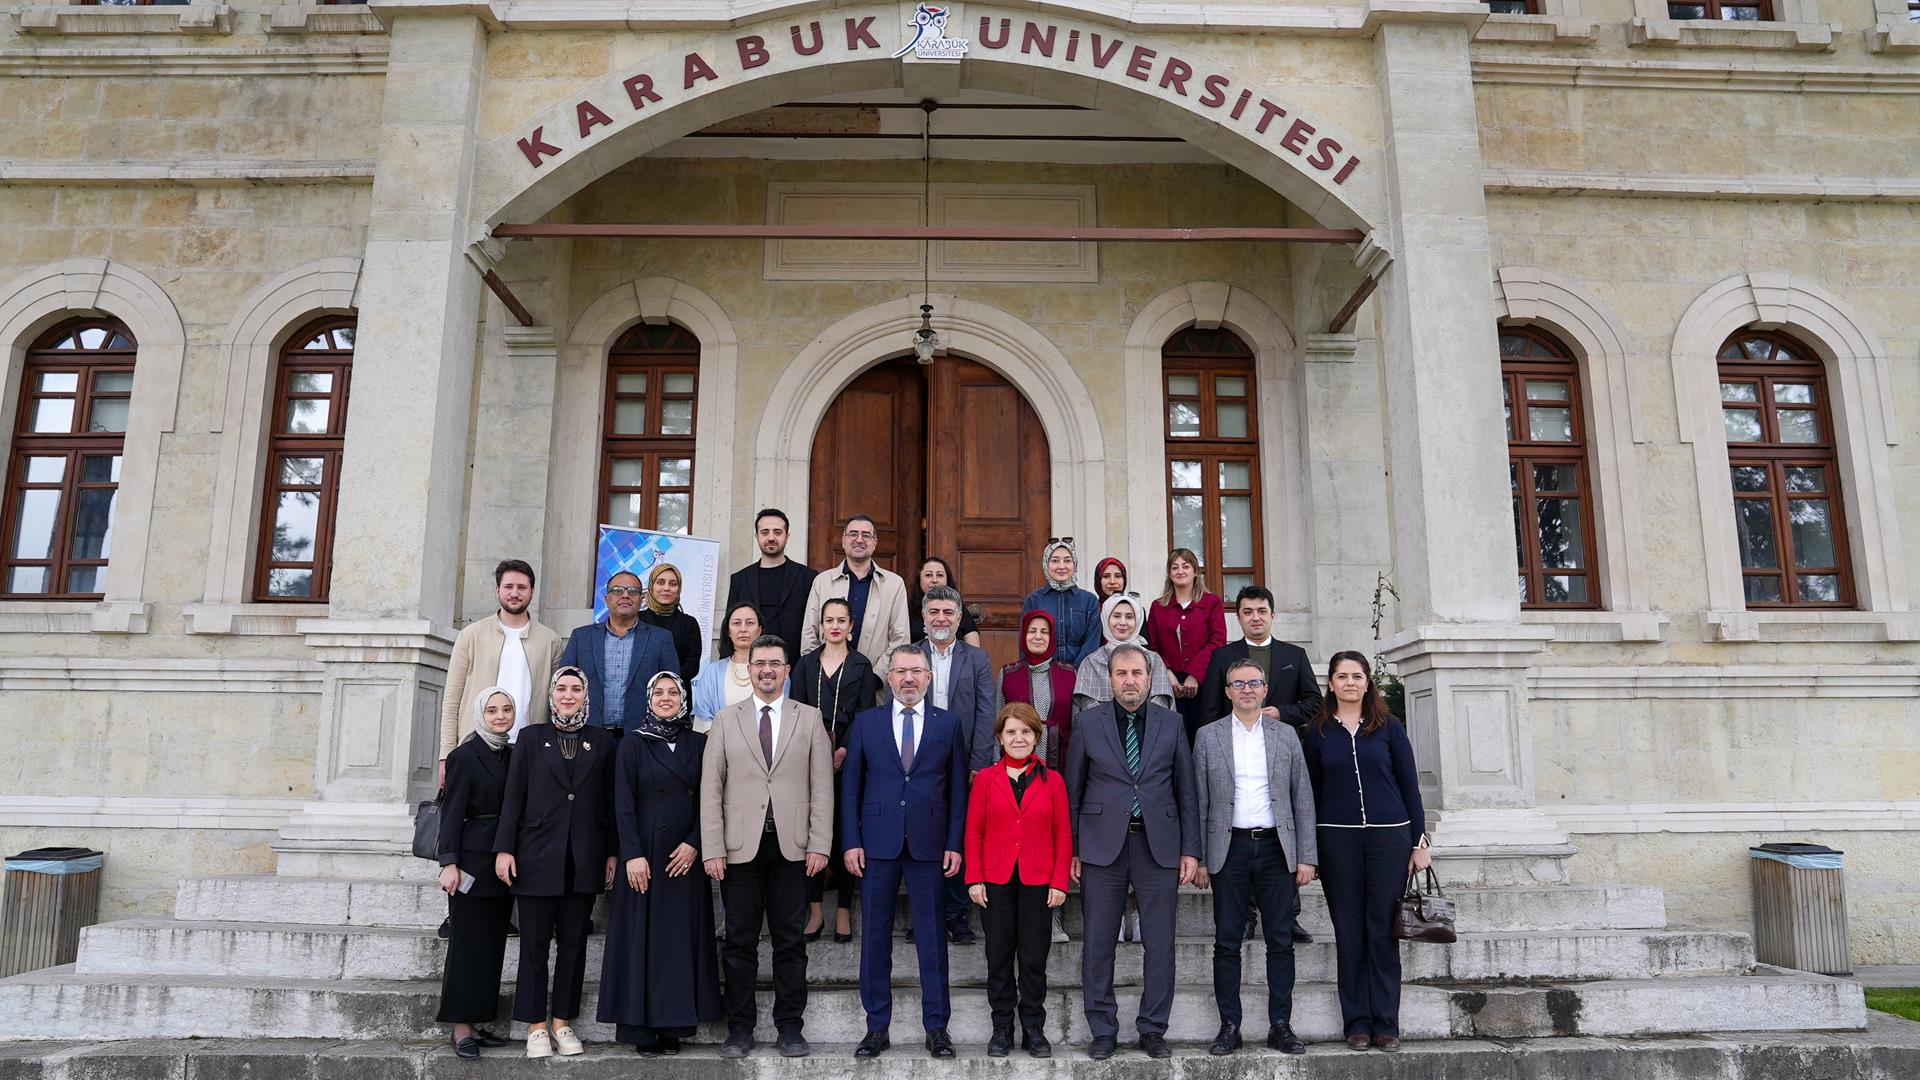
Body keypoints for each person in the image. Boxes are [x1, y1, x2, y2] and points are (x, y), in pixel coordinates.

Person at [700, 636, 835, 1059]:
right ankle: (740, 1029)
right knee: (739, 941)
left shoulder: (809, 718)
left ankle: (790, 1028)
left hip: (793, 849)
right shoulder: (726, 719)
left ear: (787, 670)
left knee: (790, 942)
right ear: (749, 669)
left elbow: (822, 786)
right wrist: (712, 847)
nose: (766, 670)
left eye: (775, 663)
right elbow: (711, 787)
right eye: (759, 663)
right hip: (739, 849)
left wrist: (820, 844)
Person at [1064, 643, 1200, 1060]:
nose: (1129, 681)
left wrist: (1191, 849)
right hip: (1101, 847)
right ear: (1110, 679)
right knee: (1098, 943)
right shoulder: (1089, 723)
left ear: (1149, 677)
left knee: (1159, 944)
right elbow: (1073, 790)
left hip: (1158, 846)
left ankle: (1153, 1028)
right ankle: (1102, 1030)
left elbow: (1186, 790)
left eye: (1136, 673)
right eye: (1121, 673)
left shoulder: (1171, 723)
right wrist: (1073, 848)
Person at [840, 645, 968, 1060]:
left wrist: (954, 843)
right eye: (900, 671)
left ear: (929, 677)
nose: (908, 678)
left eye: (916, 671)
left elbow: (958, 791)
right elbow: (851, 787)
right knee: (875, 939)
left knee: (932, 939)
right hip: (876, 844)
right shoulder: (866, 723)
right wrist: (851, 841)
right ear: (890, 677)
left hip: (930, 844)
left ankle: (937, 1028)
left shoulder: (948, 724)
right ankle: (876, 1028)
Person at [1299, 651, 1430, 1054]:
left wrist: (1420, 842)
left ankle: (1386, 1023)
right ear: (1331, 683)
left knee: (1382, 930)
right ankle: (1356, 1022)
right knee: (1349, 931)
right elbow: (1309, 793)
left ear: (1368, 681)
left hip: (1389, 839)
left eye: (1357, 676)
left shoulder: (1389, 727)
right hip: (1336, 841)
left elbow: (1409, 785)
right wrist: (1310, 850)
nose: (1350, 683)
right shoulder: (1318, 731)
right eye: (1342, 676)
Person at [1191, 659, 1317, 1056]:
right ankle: (1230, 1026)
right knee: (1227, 942)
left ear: (1265, 690)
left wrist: (1306, 856)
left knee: (1280, 940)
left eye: (1254, 683)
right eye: (1238, 684)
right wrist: (1201, 858)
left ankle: (1281, 1025)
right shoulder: (1208, 736)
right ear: (1227, 691)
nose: (1247, 689)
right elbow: (1200, 800)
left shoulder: (1286, 735)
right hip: (1228, 849)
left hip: (1277, 848)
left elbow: (1302, 796)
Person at [597, 671, 721, 1056]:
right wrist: (632, 854)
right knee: (642, 940)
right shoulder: (633, 744)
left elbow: (712, 797)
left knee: (678, 941)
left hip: (684, 860)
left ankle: (674, 1027)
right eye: (659, 693)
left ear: (684, 700)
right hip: (645, 859)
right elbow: (622, 803)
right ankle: (641, 1029)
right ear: (648, 700)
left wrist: (695, 843)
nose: (666, 698)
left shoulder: (700, 743)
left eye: (673, 693)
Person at [493, 666, 614, 1060]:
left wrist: (612, 852)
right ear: (551, 695)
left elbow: (609, 802)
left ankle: (562, 1022)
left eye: (576, 689)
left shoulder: (602, 741)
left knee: (574, 946)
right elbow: (513, 796)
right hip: (535, 857)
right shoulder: (531, 738)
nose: (568, 695)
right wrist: (504, 849)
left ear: (585, 695)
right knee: (534, 945)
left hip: (583, 859)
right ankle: (535, 1026)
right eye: (561, 688)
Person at [1196, 585, 1323, 945]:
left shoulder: (1294, 655)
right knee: (1239, 838)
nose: (1255, 617)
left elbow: (1314, 702)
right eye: (1247, 611)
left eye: (1261, 611)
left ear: (1272, 615)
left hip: (1281, 755)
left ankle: (1288, 917)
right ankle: (1247, 917)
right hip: (1234, 755)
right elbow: (1210, 708)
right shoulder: (1223, 657)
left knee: (1281, 830)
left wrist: (1282, 712)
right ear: (1238, 618)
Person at [882, 584, 994, 943]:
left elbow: (985, 710)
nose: (941, 619)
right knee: (922, 836)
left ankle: (957, 915)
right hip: (918, 762)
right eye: (934, 612)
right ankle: (925, 915)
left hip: (963, 760)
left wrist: (979, 761)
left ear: (959, 619)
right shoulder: (910, 657)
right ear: (924, 618)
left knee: (959, 834)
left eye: (948, 612)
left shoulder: (977, 659)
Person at [964, 704, 1070, 1059]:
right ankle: (1002, 1029)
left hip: (1038, 881)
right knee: (998, 956)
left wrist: (1059, 881)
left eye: (1026, 732)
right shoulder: (985, 779)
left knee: (1033, 958)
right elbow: (973, 831)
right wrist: (974, 877)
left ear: (1036, 737)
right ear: (1000, 737)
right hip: (995, 880)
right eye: (1011, 732)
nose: (1018, 738)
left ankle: (1034, 1029)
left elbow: (1063, 834)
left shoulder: (1053, 781)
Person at [435, 686, 517, 1058]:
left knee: (491, 946)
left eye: (506, 709)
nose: (500, 716)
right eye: (492, 710)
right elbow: (452, 812)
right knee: (467, 945)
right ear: (480, 714)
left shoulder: (513, 754)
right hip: (470, 861)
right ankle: (460, 1026)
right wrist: (449, 862)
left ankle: (478, 1021)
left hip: (503, 863)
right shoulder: (463, 756)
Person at [790, 597, 878, 942]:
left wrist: (844, 750)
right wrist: (815, 751)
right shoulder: (805, 665)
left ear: (851, 626)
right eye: (829, 620)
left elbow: (865, 714)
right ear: (821, 625)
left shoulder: (861, 666)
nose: (835, 626)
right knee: (812, 831)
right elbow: (795, 709)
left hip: (848, 757)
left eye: (842, 620)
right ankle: (815, 911)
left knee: (845, 830)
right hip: (808, 758)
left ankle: (843, 909)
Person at [995, 609, 1076, 943]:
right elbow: (998, 724)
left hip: (1058, 764)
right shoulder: (1009, 674)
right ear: (1023, 636)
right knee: (1021, 839)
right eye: (1032, 631)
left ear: (1052, 637)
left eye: (1044, 631)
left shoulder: (1069, 674)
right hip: (1017, 770)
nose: (1038, 637)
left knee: (1052, 839)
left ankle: (1054, 918)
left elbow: (1077, 723)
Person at [439, 559, 563, 770]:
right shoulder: (471, 635)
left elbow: (555, 703)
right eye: (508, 586)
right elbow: (452, 698)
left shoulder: (550, 640)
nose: (514, 593)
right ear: (497, 590)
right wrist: (446, 753)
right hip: (476, 745)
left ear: (532, 591)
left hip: (530, 747)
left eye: (522, 587)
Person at [557, 571, 680, 741]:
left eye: (633, 591)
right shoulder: (581, 637)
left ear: (642, 599)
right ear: (606, 599)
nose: (625, 595)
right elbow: (562, 686)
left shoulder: (661, 639)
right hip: (588, 736)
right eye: (617, 590)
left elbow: (673, 690)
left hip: (643, 738)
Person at [800, 514, 910, 668]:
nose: (859, 540)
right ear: (843, 540)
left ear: (875, 543)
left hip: (875, 678)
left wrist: (876, 676)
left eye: (866, 535)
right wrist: (820, 672)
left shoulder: (894, 584)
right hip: (826, 677)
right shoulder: (822, 582)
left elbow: (900, 639)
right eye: (853, 534)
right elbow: (809, 635)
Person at [1145, 548, 1226, 743]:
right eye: (1175, 567)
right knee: (1172, 738)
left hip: (1205, 682)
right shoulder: (1158, 606)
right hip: (1170, 683)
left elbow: (1217, 641)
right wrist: (1167, 672)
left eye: (1185, 566)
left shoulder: (1212, 602)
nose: (1180, 571)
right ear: (1169, 573)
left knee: (1202, 737)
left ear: (1195, 571)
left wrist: (1195, 675)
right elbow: (1152, 647)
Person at [724, 508, 814, 663]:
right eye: (765, 532)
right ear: (757, 536)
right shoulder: (740, 579)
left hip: (795, 665)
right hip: (750, 665)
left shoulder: (808, 577)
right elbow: (730, 626)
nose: (771, 538)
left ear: (787, 536)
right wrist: (727, 665)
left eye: (777, 532)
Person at [1073, 592, 1175, 716]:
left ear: (1138, 620)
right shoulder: (1091, 662)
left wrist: (1138, 723)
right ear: (1106, 619)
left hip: (1149, 726)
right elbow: (1088, 708)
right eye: (1116, 616)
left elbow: (1160, 704)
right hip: (1101, 727)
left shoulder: (1153, 660)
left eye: (1129, 617)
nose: (1122, 622)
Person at [692, 602, 787, 728]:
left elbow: (784, 714)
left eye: (749, 623)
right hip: (720, 739)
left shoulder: (776, 670)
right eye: (736, 623)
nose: (743, 629)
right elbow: (703, 718)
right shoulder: (713, 671)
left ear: (759, 630)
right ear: (728, 631)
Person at [1019, 538, 1101, 666]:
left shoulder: (1089, 601)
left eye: (1067, 561)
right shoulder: (1034, 600)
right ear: (1046, 564)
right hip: (1042, 672)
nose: (1061, 566)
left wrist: (1073, 672)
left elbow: (1092, 643)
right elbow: (1025, 642)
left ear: (1075, 564)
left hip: (1080, 672)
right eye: (1055, 561)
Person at [637, 563, 704, 679]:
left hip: (677, 687)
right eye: (660, 583)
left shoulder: (689, 623)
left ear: (679, 588)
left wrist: (667, 682)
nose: (666, 588)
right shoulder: (637, 620)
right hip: (641, 687)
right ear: (651, 586)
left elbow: (692, 665)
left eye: (673, 584)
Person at [907, 556, 982, 647]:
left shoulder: (959, 610)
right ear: (919, 579)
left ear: (947, 579)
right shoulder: (907, 610)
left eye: (940, 575)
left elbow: (974, 649)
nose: (934, 580)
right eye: (928, 575)